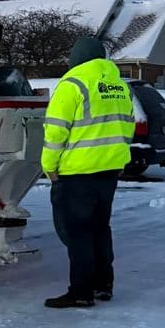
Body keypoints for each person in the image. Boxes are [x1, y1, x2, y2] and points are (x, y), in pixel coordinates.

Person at [41, 35, 135, 309]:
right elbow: (128, 126)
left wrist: (49, 166)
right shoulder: (120, 86)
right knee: (100, 228)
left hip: (78, 172)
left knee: (79, 232)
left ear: (75, 58)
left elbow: (55, 131)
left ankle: (80, 292)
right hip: (110, 169)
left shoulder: (72, 85)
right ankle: (103, 285)